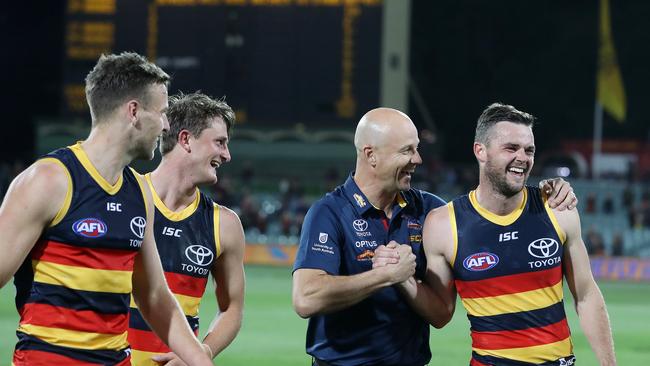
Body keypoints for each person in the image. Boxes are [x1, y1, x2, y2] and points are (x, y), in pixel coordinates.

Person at [292, 107, 578, 366]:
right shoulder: (328, 212)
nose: (417, 159)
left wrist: (550, 190)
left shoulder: (430, 211)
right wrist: (383, 276)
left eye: (416, 149)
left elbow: (441, 314)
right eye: (406, 151)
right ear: (371, 155)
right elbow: (306, 299)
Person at [0, 52, 212, 365]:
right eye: (163, 112)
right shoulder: (49, 180)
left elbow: (154, 295)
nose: (166, 125)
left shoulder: (139, 191)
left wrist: (201, 360)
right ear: (134, 112)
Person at [405, 103, 616, 365]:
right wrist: (402, 279)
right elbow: (440, 315)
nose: (523, 158)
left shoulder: (556, 208)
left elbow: (586, 295)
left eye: (529, 150)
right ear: (480, 151)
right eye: (511, 148)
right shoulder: (442, 225)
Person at [128, 92, 245, 365]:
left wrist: (202, 352)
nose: (227, 155)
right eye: (220, 142)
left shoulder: (224, 224)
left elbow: (232, 308)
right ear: (185, 139)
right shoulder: (125, 199)